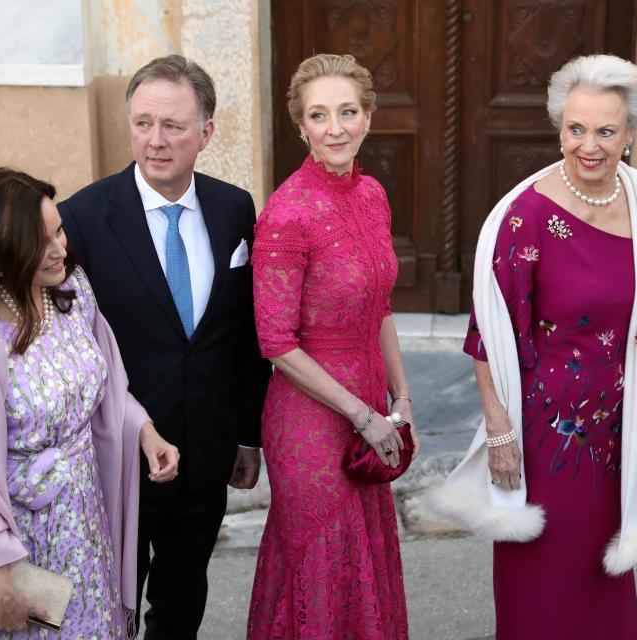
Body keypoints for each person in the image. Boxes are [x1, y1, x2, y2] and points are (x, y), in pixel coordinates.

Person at [430, 55, 637, 639]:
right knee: (542, 592)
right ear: (559, 126)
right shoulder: (526, 218)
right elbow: (486, 335)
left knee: (602, 585)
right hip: (548, 440)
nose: (588, 145)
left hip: (616, 432)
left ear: (630, 133)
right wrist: (500, 433)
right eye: (575, 128)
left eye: (606, 131)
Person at [57, 55, 272, 639]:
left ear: (206, 132)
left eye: (173, 126)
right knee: (112, 603)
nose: (155, 141)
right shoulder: (80, 219)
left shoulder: (235, 209)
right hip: (117, 456)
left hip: (205, 451)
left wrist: (247, 435)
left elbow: (244, 336)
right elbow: (65, 344)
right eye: (143, 123)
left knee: (182, 605)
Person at [0, 168, 179, 638]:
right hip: (21, 544)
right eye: (39, 242)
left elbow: (106, 389)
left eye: (58, 230)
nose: (59, 249)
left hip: (88, 521)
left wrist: (145, 430)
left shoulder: (72, 294)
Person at [247, 53, 418, 640]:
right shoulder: (286, 214)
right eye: (320, 116)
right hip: (311, 419)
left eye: (348, 111)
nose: (336, 127)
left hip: (372, 401)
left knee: (364, 561)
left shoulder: (372, 194)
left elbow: (381, 307)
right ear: (302, 127)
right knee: (323, 562)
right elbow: (275, 342)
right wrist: (362, 414)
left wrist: (401, 397)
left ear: (368, 117)